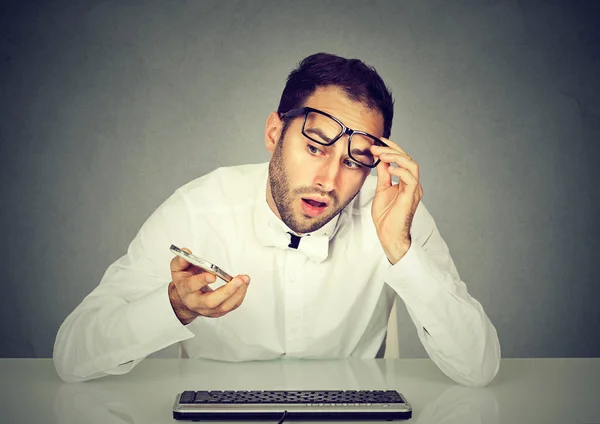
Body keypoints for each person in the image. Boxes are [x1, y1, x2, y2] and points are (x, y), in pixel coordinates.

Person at [53, 53, 500, 386]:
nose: (328, 180)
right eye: (314, 147)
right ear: (274, 134)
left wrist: (402, 252)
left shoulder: (391, 213)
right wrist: (175, 306)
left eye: (353, 161)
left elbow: (477, 369)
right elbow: (71, 356)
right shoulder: (198, 207)